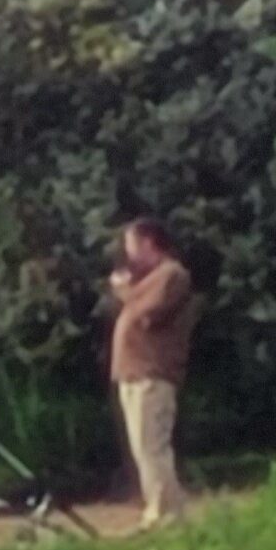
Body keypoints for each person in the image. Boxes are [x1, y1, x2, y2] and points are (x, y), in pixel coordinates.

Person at [106, 217, 197, 526]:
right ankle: (162, 510)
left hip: (152, 372)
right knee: (141, 448)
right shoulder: (149, 280)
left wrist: (125, 293)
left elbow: (149, 316)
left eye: (131, 244)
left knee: (152, 445)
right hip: (132, 373)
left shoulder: (172, 275)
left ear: (148, 243)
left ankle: (166, 514)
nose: (128, 253)